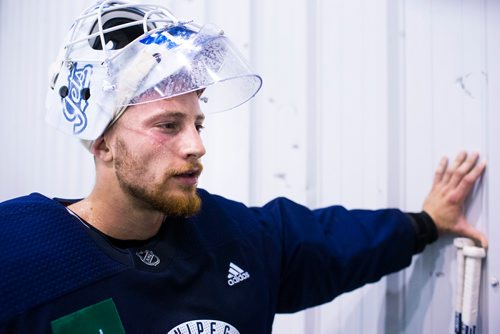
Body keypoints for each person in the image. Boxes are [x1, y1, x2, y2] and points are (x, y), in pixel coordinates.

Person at [0, 1, 487, 333]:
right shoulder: (20, 255)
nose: (196, 146)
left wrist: (425, 224)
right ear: (102, 142)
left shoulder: (230, 237)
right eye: (168, 126)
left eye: (198, 124)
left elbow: (333, 244)